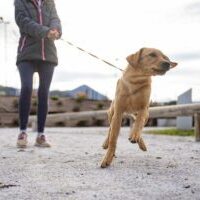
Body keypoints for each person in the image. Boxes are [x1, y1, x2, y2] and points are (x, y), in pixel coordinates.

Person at [14, 0, 62, 148]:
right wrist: (45, 32)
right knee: (27, 87)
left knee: (44, 92)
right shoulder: (20, 2)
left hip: (48, 55)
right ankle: (22, 131)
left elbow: (55, 19)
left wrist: (55, 30)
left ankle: (40, 135)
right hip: (26, 54)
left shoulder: (49, 2)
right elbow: (23, 22)